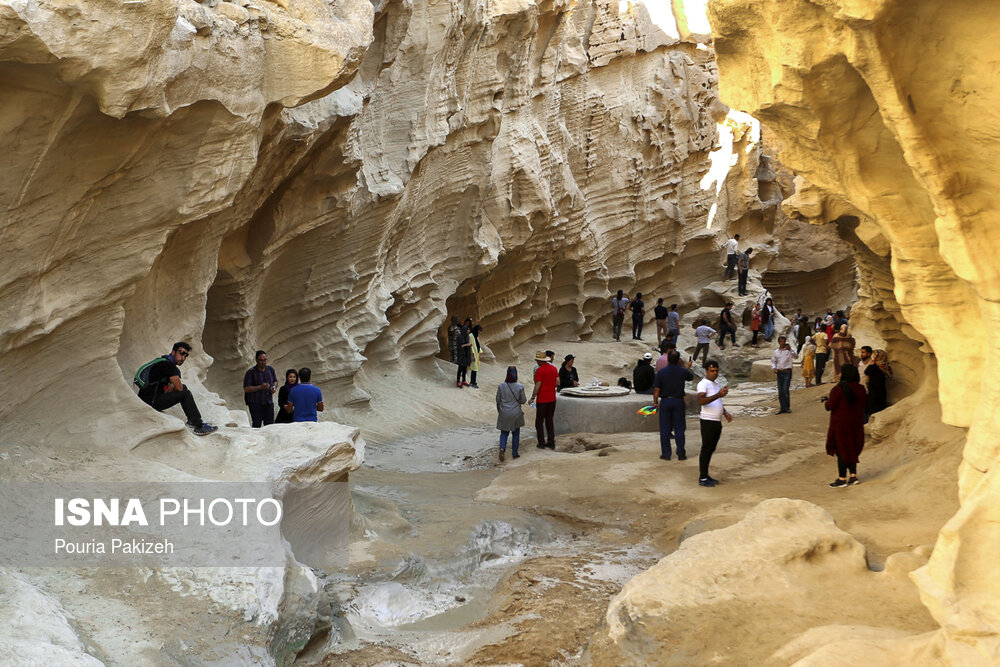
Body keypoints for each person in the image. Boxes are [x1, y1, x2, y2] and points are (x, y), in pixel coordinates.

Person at [138, 342, 218, 436]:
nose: (183, 358)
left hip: (147, 398)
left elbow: (171, 389)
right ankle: (199, 426)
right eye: (181, 353)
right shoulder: (168, 365)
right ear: (173, 352)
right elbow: (179, 388)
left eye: (186, 355)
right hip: (152, 402)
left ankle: (192, 421)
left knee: (184, 388)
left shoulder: (162, 361)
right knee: (185, 393)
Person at [824, 364, 867, 487]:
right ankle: (853, 476)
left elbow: (830, 406)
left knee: (841, 450)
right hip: (856, 424)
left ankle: (842, 478)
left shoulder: (838, 389)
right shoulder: (861, 389)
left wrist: (826, 402)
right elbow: (864, 404)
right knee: (852, 448)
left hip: (840, 425)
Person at [652, 350, 694, 460]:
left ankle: (666, 454)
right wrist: (685, 366)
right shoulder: (682, 371)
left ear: (668, 359)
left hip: (665, 401)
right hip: (678, 401)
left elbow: (656, 389)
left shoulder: (661, 372)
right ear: (678, 359)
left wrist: (655, 402)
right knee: (679, 428)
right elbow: (690, 377)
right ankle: (681, 453)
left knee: (665, 428)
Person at [696, 360, 732, 486]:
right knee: (706, 448)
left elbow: (718, 402)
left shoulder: (715, 384)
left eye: (716, 371)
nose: (714, 373)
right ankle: (703, 477)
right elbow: (701, 400)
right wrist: (718, 395)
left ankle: (706, 475)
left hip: (716, 421)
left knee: (711, 448)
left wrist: (725, 412)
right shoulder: (703, 384)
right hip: (707, 420)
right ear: (706, 371)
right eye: (712, 371)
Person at [496, 366, 527, 461]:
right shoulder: (520, 386)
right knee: (516, 433)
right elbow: (523, 401)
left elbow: (498, 400)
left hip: (504, 412)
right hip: (516, 413)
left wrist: (500, 411)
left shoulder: (501, 386)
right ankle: (515, 453)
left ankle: (502, 448)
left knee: (504, 433)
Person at [529, 350, 558, 449]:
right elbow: (558, 382)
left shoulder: (539, 370)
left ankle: (541, 442)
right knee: (549, 420)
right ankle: (551, 441)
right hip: (552, 398)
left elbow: (538, 385)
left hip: (542, 399)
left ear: (539, 361)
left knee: (539, 421)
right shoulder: (554, 369)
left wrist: (533, 397)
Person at [243, 350, 278, 428]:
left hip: (268, 403)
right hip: (256, 404)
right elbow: (246, 389)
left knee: (270, 426)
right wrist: (260, 387)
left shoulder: (270, 369)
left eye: (265, 360)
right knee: (256, 426)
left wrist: (274, 387)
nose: (263, 362)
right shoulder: (251, 372)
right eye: (261, 360)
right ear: (256, 360)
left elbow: (275, 381)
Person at [771, 335, 797, 414]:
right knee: (780, 391)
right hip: (779, 372)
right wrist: (774, 368)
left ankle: (787, 407)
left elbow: (796, 356)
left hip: (787, 372)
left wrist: (791, 350)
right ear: (779, 342)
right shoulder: (776, 352)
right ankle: (782, 407)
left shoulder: (789, 351)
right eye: (781, 341)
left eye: (783, 341)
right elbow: (773, 361)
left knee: (785, 389)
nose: (782, 343)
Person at [864, 349, 892, 419]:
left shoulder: (875, 365)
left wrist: (873, 364)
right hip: (880, 391)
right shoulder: (885, 365)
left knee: (873, 409)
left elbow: (867, 372)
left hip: (874, 391)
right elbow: (889, 375)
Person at [456, 318, 472, 387]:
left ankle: (464, 380)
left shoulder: (466, 337)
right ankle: (458, 381)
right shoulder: (459, 337)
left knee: (465, 369)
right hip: (461, 355)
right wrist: (467, 345)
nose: (469, 330)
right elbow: (459, 346)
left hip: (466, 355)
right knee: (460, 369)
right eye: (468, 329)